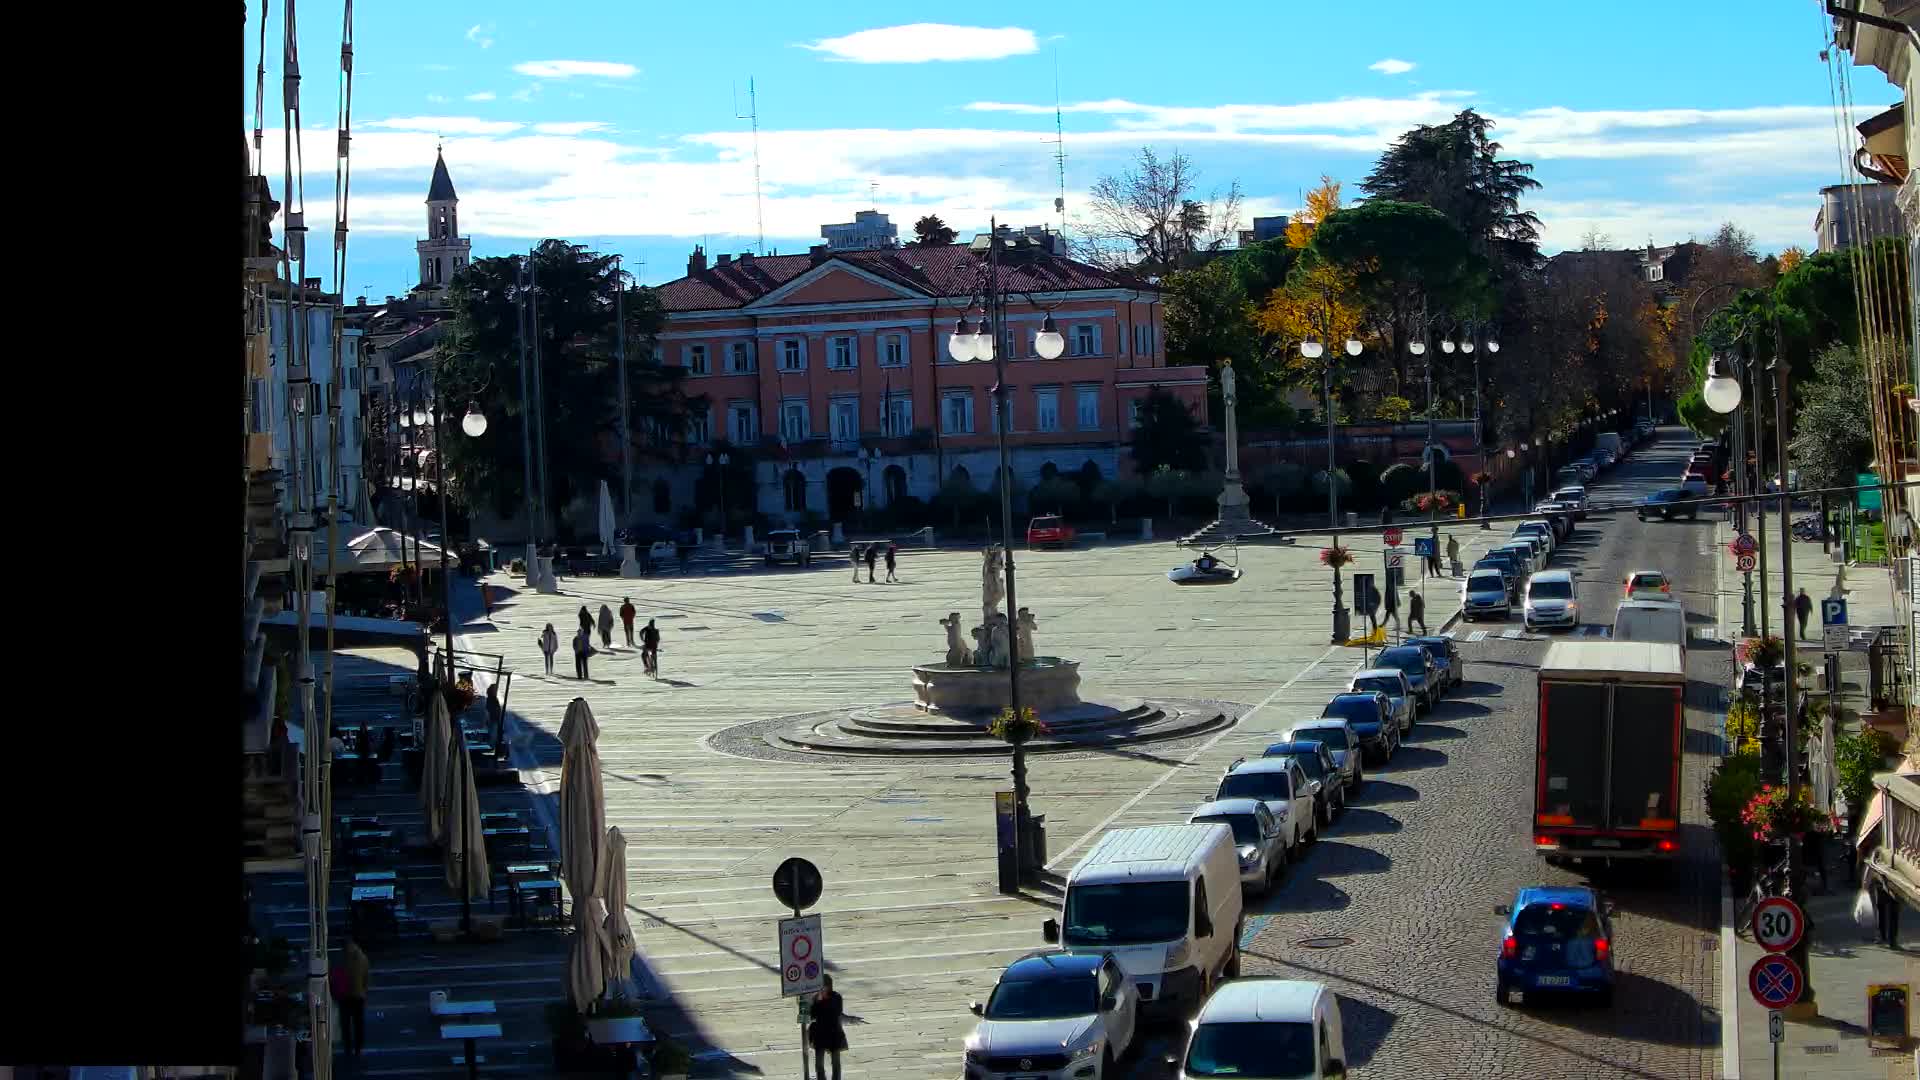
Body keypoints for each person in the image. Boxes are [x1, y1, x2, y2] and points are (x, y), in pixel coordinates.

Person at [330, 933, 370, 1057]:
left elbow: (334, 976)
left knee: (345, 1023)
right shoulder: (362, 956)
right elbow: (366, 977)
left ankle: (348, 1048)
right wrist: (364, 990)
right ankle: (358, 1047)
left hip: (344, 995)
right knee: (358, 1023)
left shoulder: (341, 958)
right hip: (358, 995)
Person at [808, 974, 848, 1080]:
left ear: (829, 986)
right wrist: (817, 1002)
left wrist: (823, 1002)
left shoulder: (836, 997)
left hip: (834, 1033)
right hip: (820, 1033)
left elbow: (837, 1012)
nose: (822, 989)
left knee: (836, 1062)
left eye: (824, 986)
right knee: (819, 1064)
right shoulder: (816, 998)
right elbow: (812, 1015)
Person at [485, 683, 504, 752]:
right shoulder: (491, 699)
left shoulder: (493, 698)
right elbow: (490, 709)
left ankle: (493, 746)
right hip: (493, 719)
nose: (496, 691)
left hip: (495, 719)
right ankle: (492, 747)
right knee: (493, 733)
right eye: (495, 689)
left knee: (495, 733)